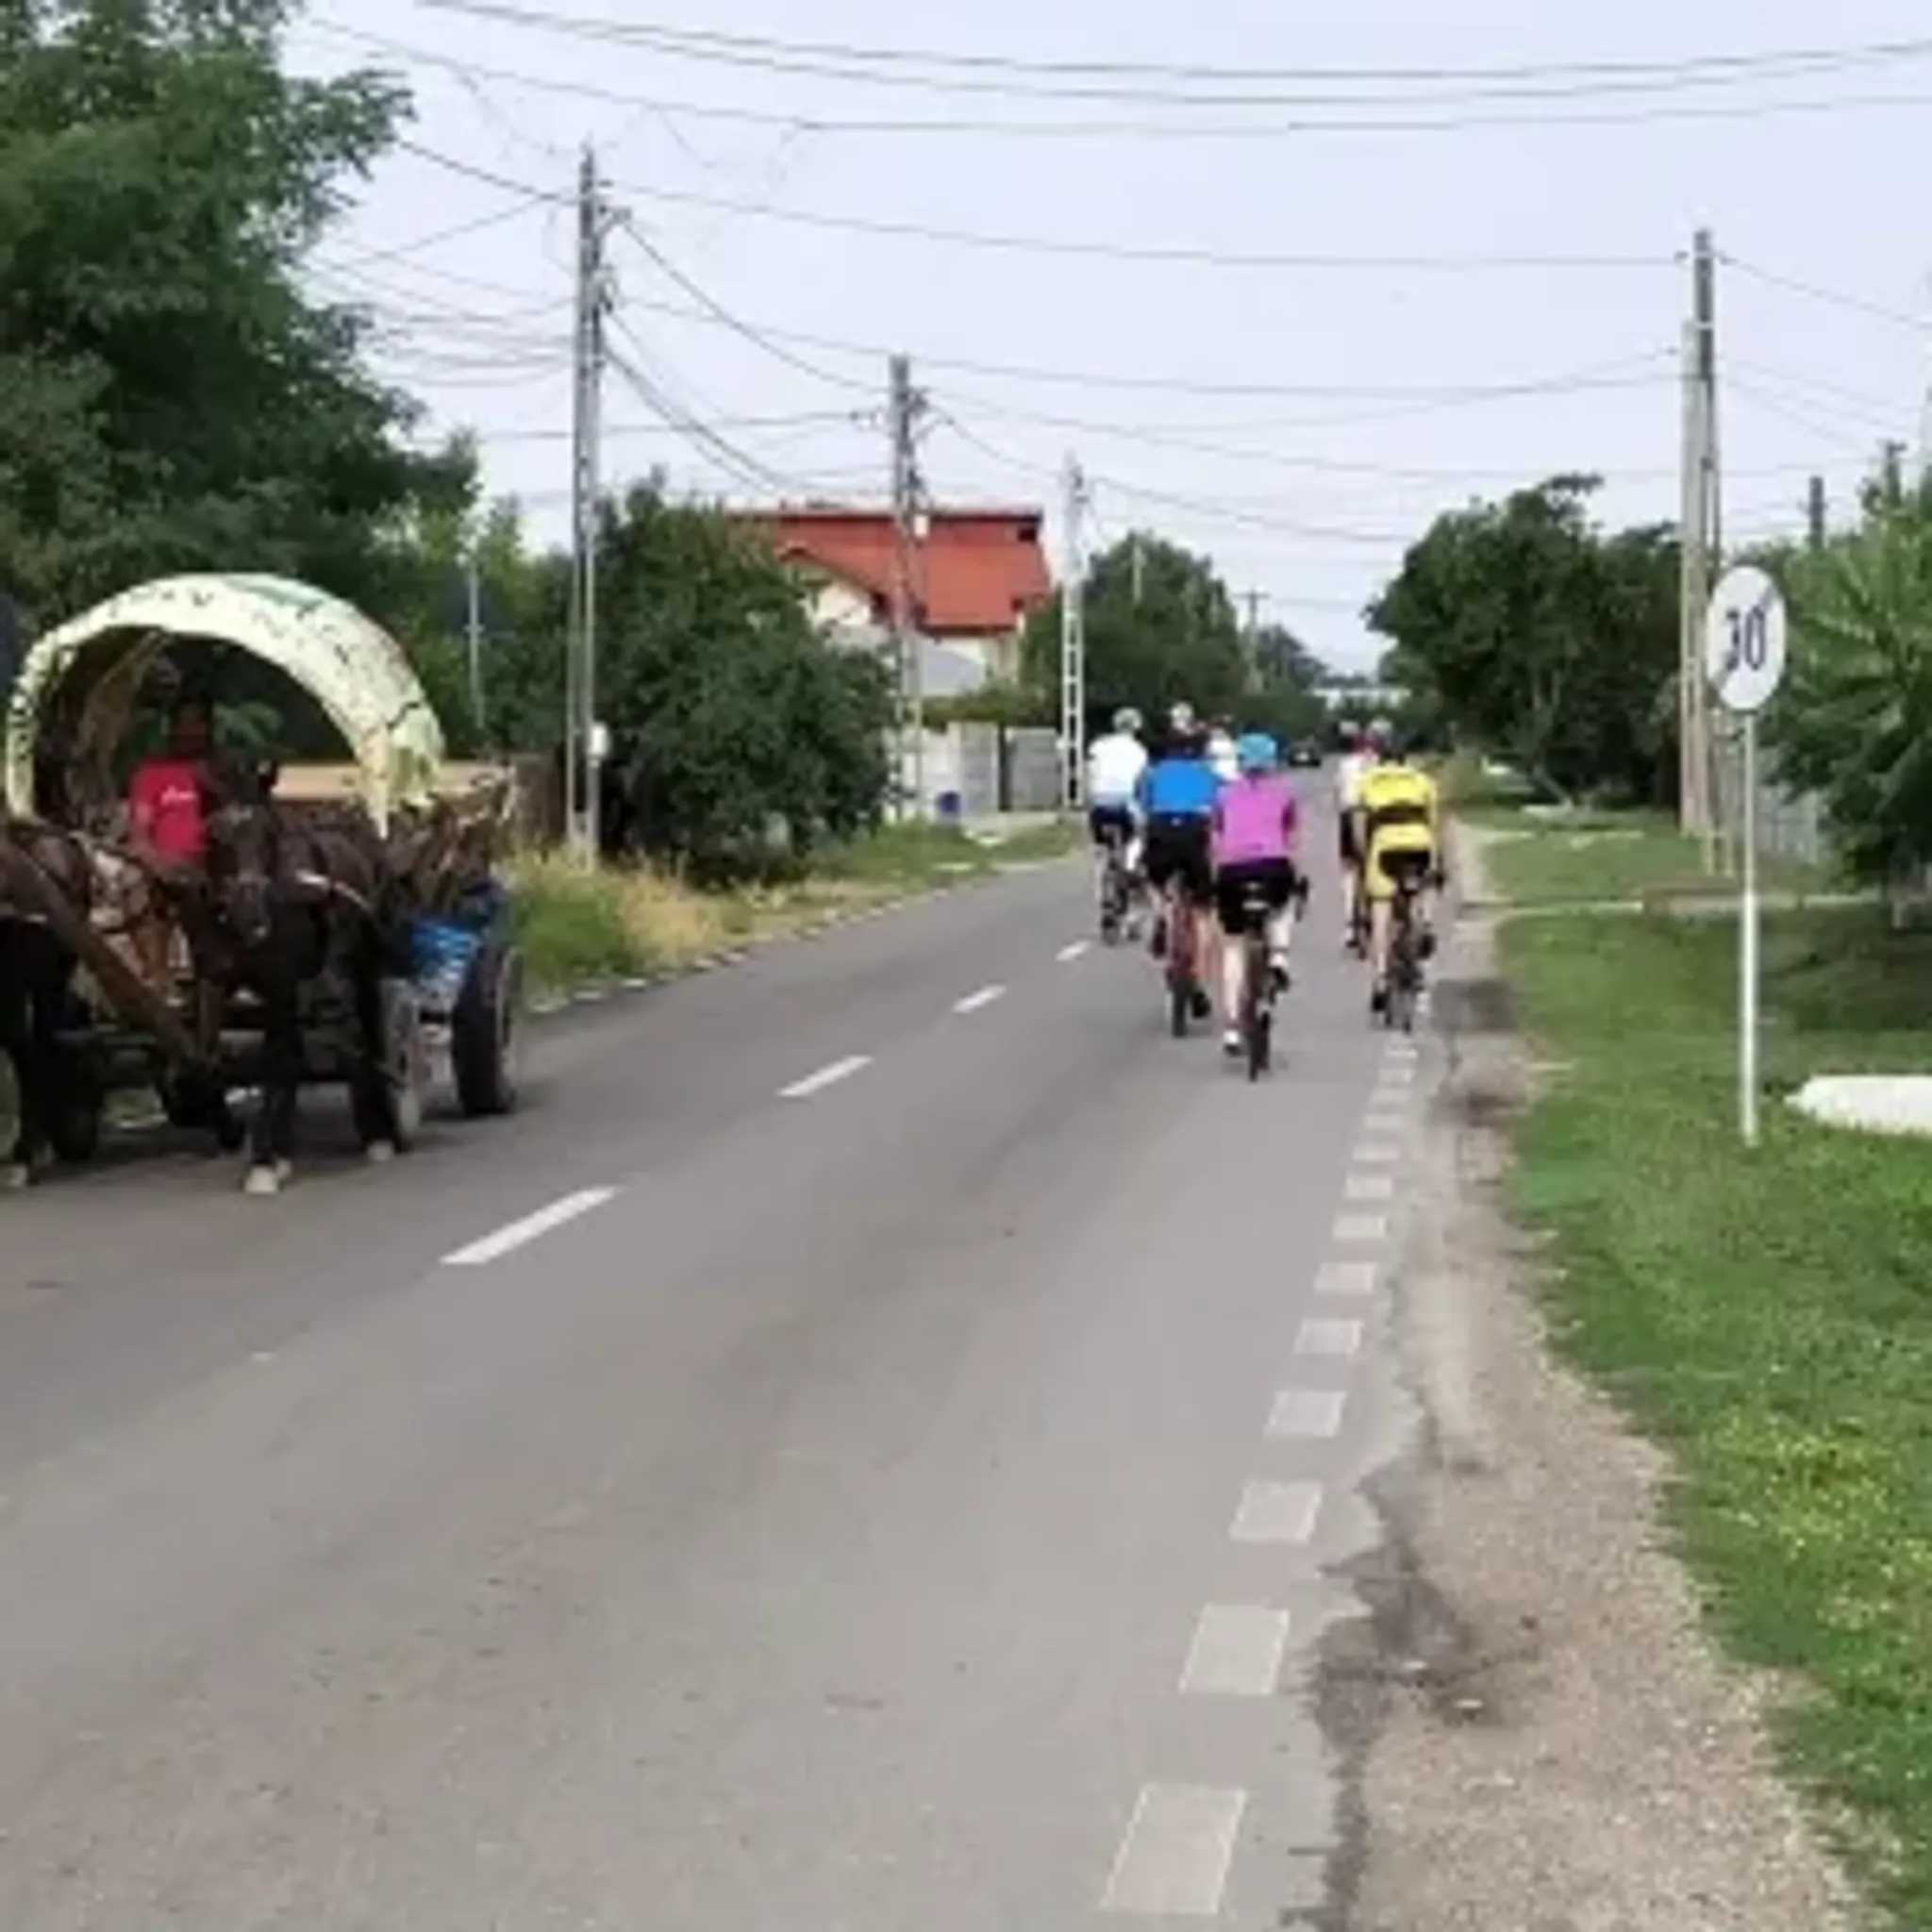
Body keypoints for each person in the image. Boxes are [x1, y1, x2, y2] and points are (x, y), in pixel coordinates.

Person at [1210, 731, 1302, 1057]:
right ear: (1272, 762)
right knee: (1285, 903)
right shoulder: (1285, 793)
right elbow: (1291, 840)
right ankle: (1278, 954)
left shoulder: (1223, 794)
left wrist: (1215, 877)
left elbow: (1216, 841)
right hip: (1273, 866)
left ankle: (1233, 1028)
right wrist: (1296, 875)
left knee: (1233, 947)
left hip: (1233, 872)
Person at [125, 696, 214, 988]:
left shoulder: (224, 770)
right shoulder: (152, 774)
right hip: (165, 864)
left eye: (195, 724)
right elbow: (140, 830)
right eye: (181, 724)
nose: (188, 732)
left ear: (207, 728)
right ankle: (158, 977)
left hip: (217, 863)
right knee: (137, 884)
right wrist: (157, 862)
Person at [1137, 717, 1218, 1022]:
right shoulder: (1208, 774)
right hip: (1195, 834)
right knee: (1204, 909)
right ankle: (1196, 978)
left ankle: (1161, 916)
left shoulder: (1152, 774)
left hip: (1161, 831)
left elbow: (1142, 808)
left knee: (1152, 880)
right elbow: (1220, 812)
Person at [1357, 729, 1443, 1015]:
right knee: (1423, 886)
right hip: (1419, 844)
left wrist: (1363, 855)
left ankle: (1381, 979)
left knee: (1380, 910)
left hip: (1385, 847)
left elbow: (1360, 825)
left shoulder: (1369, 780)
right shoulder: (1423, 781)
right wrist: (1437, 860)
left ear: (1380, 756)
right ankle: (1424, 927)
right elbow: (1433, 825)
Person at [1086, 706, 1149, 908]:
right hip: (1126, 803)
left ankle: (1103, 873)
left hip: (1100, 803)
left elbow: (1090, 773)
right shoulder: (1139, 750)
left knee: (1101, 846)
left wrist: (1091, 799)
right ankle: (1130, 867)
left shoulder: (1099, 745)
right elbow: (1142, 782)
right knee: (1138, 836)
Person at [1333, 719, 1377, 949]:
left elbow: (1338, 796)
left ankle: (1350, 924)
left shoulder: (1345, 764)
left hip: (1350, 815)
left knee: (1349, 869)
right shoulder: (1378, 764)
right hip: (1373, 815)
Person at [1206, 715, 1240, 785]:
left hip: (1226, 771)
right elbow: (1209, 755)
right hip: (1219, 772)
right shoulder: (1214, 741)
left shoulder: (1230, 742)